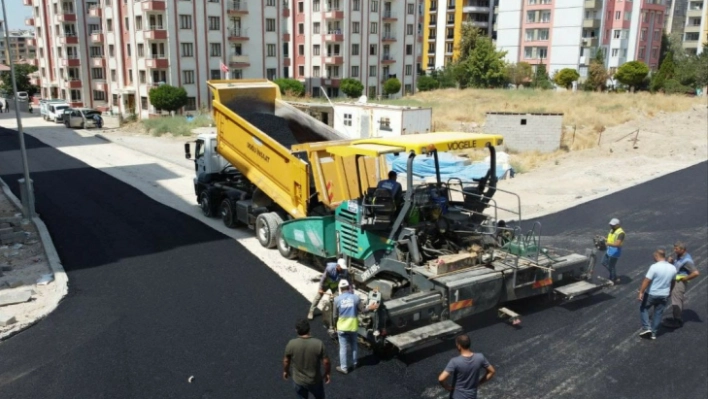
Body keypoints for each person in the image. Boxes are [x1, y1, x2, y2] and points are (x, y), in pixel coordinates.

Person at [333, 279, 378, 374]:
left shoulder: (337, 300)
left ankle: (344, 368)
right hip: (353, 327)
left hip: (342, 327)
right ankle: (355, 362)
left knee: (343, 348)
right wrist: (371, 307)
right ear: (349, 287)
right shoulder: (355, 298)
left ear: (340, 288)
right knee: (354, 345)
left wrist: (334, 325)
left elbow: (334, 316)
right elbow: (363, 310)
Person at [283, 319, 331, 399]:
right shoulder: (318, 343)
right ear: (309, 329)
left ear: (296, 330)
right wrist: (327, 373)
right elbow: (326, 362)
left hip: (298, 380)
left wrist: (286, 371)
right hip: (315, 380)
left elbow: (286, 361)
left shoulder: (291, 344)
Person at [438, 335, 495, 399]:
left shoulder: (454, 361)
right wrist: (479, 383)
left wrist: (447, 387)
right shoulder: (480, 357)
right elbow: (492, 371)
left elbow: (441, 378)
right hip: (472, 396)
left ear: (459, 346)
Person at [638, 249, 676, 340]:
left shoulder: (654, 267)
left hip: (652, 293)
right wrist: (670, 291)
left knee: (643, 308)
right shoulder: (673, 268)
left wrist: (641, 292)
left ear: (656, 256)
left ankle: (647, 327)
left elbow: (647, 280)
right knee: (658, 313)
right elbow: (673, 282)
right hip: (664, 295)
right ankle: (654, 333)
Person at [666, 242, 699, 327]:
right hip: (676, 281)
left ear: (683, 250)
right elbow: (678, 268)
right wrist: (672, 262)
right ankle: (676, 317)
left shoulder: (687, 261)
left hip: (679, 283)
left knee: (677, 300)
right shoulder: (680, 256)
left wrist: (685, 278)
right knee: (675, 299)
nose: (674, 250)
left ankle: (677, 321)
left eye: (676, 249)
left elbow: (695, 273)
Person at [602, 218, 625, 284]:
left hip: (615, 252)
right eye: (611, 224)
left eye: (613, 225)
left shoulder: (621, 233)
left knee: (611, 266)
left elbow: (617, 244)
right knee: (603, 262)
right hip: (609, 250)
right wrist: (605, 239)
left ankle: (613, 279)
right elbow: (611, 239)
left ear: (618, 225)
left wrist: (608, 244)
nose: (611, 226)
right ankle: (614, 276)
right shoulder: (612, 230)